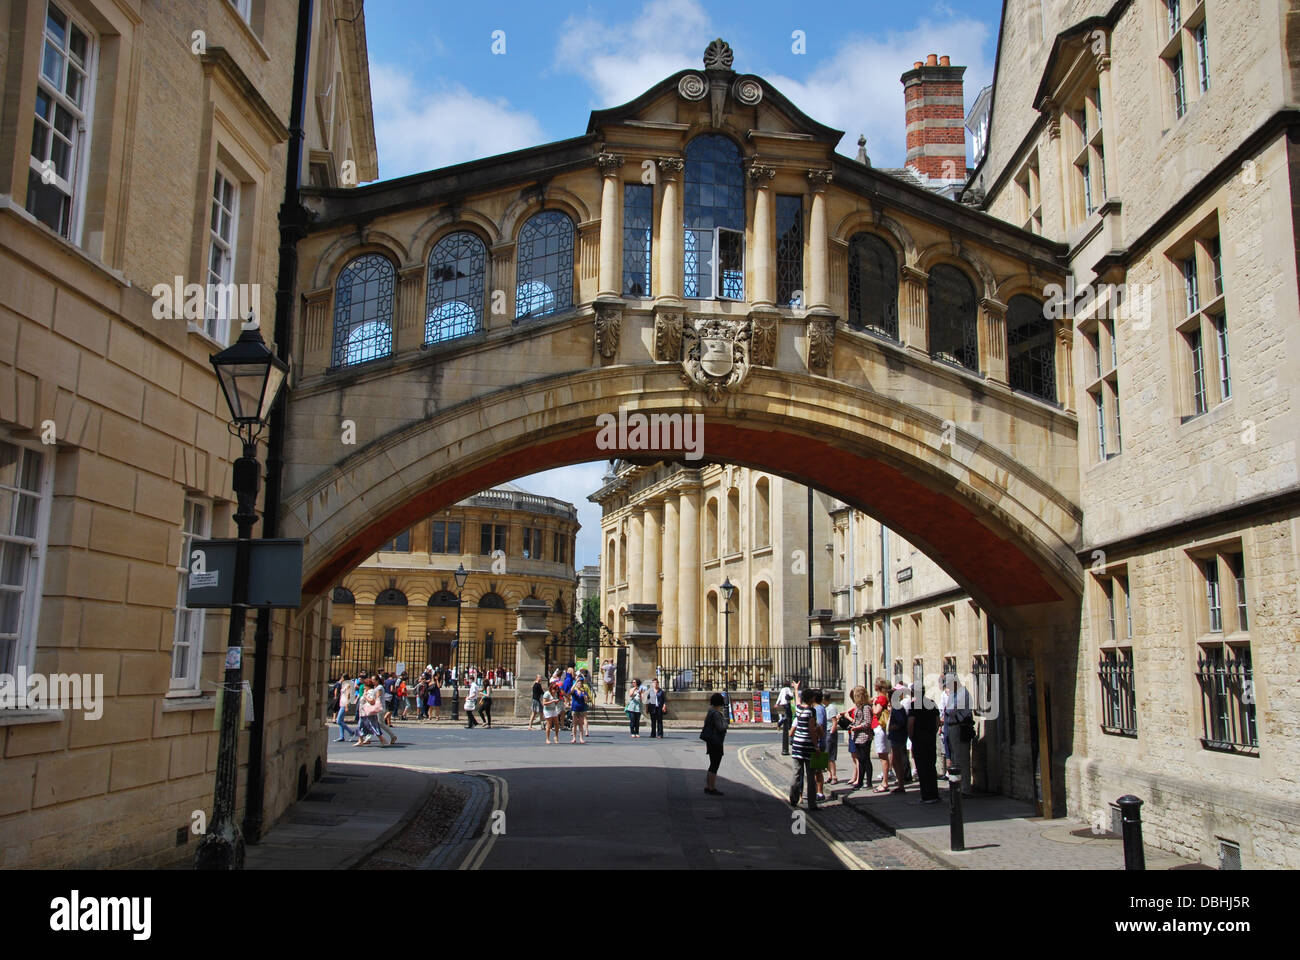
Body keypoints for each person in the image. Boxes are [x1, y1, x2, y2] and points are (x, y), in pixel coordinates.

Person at [909, 680, 941, 803]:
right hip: (930, 739)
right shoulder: (931, 703)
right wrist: (933, 732)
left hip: (919, 740)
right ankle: (934, 794)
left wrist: (911, 736)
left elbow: (911, 723)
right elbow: (937, 721)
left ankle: (926, 795)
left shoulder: (914, 706)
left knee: (922, 768)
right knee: (931, 767)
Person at [942, 674, 975, 797]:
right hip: (952, 727)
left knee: (962, 759)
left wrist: (947, 711)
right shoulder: (953, 693)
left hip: (960, 727)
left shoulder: (963, 694)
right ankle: (957, 786)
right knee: (955, 758)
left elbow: (951, 710)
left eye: (950, 684)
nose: (948, 688)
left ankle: (966, 788)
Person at [788, 688, 821, 810]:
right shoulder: (811, 711)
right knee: (810, 775)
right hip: (807, 745)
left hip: (797, 745)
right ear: (812, 698)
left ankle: (793, 798)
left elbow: (797, 700)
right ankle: (812, 803)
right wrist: (816, 746)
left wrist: (796, 689)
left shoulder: (798, 709)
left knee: (796, 773)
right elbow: (812, 730)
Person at [700, 693, 729, 795]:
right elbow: (721, 727)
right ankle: (711, 788)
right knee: (714, 766)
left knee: (712, 764)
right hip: (716, 741)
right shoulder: (716, 714)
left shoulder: (710, 712)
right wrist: (725, 722)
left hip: (711, 741)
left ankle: (709, 786)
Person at [888, 679, 912, 792]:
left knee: (898, 761)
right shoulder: (896, 707)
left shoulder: (898, 708)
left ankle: (901, 784)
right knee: (896, 761)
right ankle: (900, 783)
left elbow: (901, 723)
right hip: (895, 737)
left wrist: (892, 727)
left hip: (898, 737)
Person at [846, 686, 873, 789]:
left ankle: (868, 782)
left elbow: (867, 722)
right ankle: (860, 781)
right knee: (860, 760)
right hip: (857, 736)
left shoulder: (866, 707)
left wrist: (857, 727)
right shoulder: (858, 707)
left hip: (864, 736)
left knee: (866, 759)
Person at [871, 678, 892, 793]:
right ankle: (885, 780)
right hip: (877, 728)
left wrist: (874, 704)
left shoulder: (882, 698)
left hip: (880, 728)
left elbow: (876, 711)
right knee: (882, 755)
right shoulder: (880, 698)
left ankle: (885, 782)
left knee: (883, 756)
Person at [823, 693, 841, 785]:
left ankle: (834, 776)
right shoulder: (824, 707)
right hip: (825, 732)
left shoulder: (831, 707)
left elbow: (834, 722)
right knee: (825, 756)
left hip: (830, 733)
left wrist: (831, 733)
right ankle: (829, 775)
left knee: (831, 757)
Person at [335, 673, 357, 742]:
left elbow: (348, 695)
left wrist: (347, 706)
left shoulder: (348, 685)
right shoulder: (344, 684)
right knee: (341, 720)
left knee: (338, 721)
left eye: (342, 677)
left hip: (345, 704)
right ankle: (342, 736)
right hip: (342, 703)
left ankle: (351, 732)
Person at [775, 678, 795, 755]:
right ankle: (780, 724)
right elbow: (791, 695)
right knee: (788, 717)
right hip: (787, 704)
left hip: (783, 704)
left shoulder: (782, 689)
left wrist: (777, 703)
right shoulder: (787, 689)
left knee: (787, 716)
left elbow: (780, 697)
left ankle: (782, 725)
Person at [569, 674, 590, 743]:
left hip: (581, 709)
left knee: (581, 724)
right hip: (575, 708)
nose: (579, 684)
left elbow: (586, 701)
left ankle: (581, 738)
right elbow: (571, 690)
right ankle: (574, 738)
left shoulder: (584, 692)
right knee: (574, 724)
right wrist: (575, 682)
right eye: (578, 683)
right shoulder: (574, 691)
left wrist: (585, 697)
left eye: (580, 684)